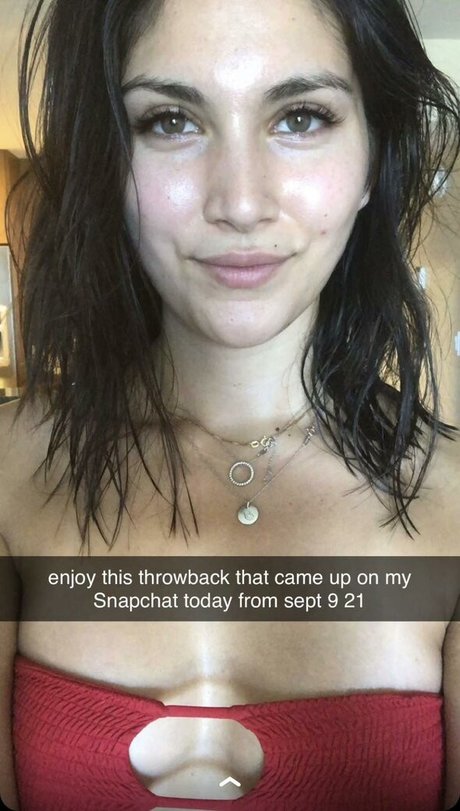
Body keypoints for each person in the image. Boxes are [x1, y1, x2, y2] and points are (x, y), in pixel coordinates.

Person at [0, 0, 459, 808]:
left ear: (372, 158)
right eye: (170, 121)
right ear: (108, 161)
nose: (241, 204)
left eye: (301, 117)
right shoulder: (9, 471)